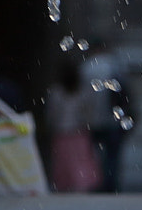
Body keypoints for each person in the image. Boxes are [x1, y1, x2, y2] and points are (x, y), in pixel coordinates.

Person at [83, 40, 136, 192]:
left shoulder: (86, 68)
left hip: (93, 120)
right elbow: (125, 92)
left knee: (95, 154)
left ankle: (97, 182)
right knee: (113, 155)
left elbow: (84, 97)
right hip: (113, 119)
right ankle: (110, 184)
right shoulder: (115, 65)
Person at [45, 57, 102, 193]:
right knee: (80, 161)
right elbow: (89, 112)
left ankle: (66, 184)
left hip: (62, 132)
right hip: (78, 132)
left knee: (64, 162)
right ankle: (81, 184)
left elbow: (52, 114)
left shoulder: (56, 93)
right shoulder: (82, 92)